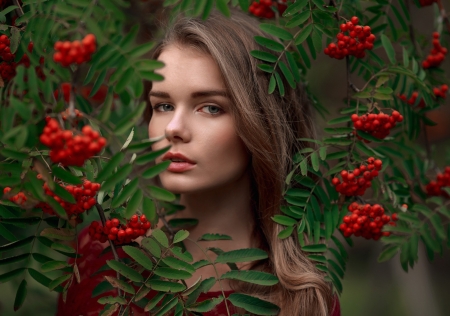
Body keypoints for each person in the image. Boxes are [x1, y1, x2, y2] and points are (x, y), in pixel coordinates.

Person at [57, 6, 340, 316]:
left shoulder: (303, 303)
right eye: (163, 105)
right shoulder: (100, 257)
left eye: (210, 108)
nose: (173, 128)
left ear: (262, 124)